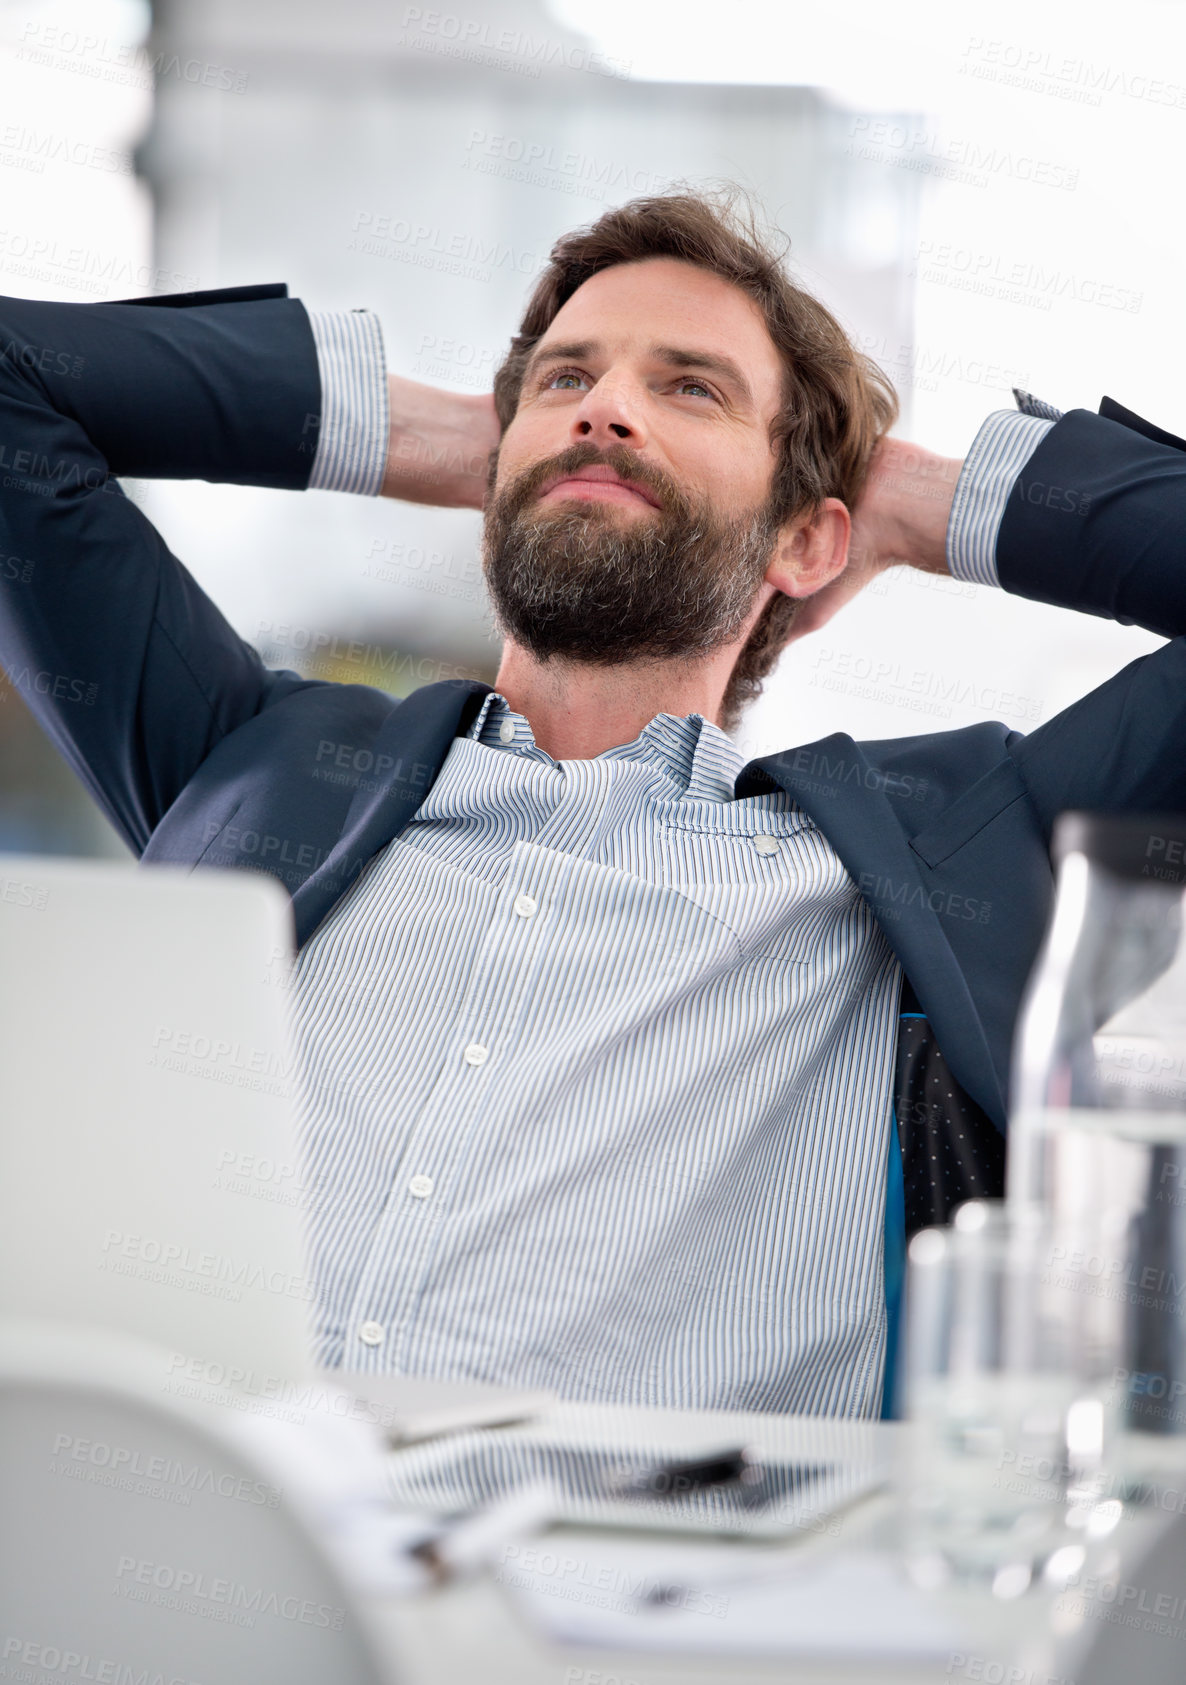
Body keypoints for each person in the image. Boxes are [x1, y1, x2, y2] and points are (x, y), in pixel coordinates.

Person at [1, 191, 1183, 1419]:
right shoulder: (253, 758)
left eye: (691, 389)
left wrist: (920, 501)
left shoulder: (954, 849)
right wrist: (442, 439)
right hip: (178, 1537)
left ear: (806, 543)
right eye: (566, 376)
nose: (601, 406)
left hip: (660, 1594)